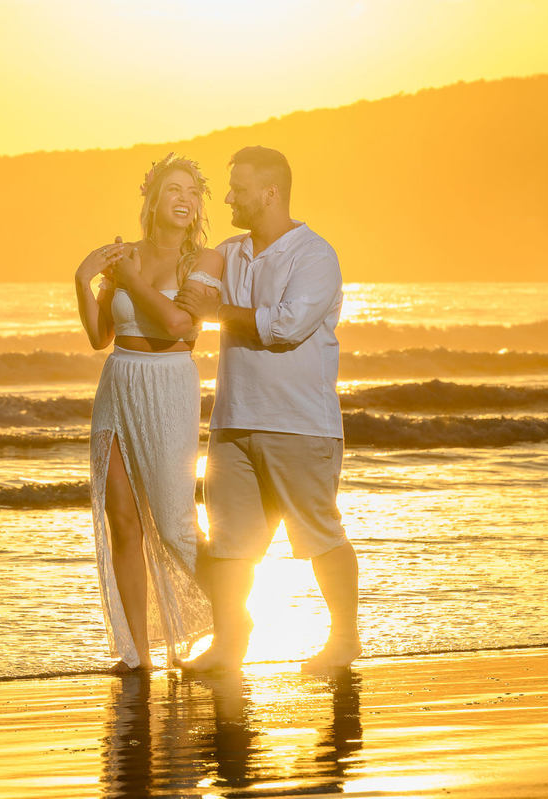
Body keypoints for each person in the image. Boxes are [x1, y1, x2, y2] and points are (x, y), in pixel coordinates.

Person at [178, 146, 361, 673]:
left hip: (299, 423)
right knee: (230, 542)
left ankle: (344, 639)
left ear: (271, 192)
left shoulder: (314, 254)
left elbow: (286, 327)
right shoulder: (229, 252)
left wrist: (217, 312)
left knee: (319, 533)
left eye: (238, 187)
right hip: (233, 421)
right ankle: (230, 644)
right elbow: (184, 297)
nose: (229, 196)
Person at [74, 153, 224, 672]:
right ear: (153, 200)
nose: (184, 199)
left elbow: (182, 327)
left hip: (169, 384)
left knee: (176, 523)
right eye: (173, 190)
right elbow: (100, 338)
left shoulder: (202, 262)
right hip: (118, 382)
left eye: (192, 192)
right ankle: (136, 653)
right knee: (123, 521)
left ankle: (235, 620)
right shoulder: (124, 256)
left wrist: (132, 281)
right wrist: (83, 281)